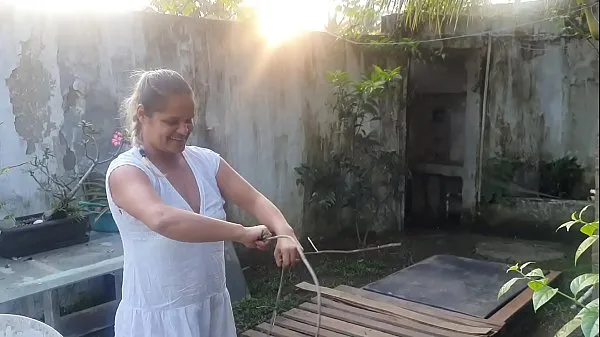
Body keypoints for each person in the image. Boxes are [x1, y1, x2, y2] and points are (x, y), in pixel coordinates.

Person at [105, 69, 301, 337]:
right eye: (172, 121)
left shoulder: (206, 162)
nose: (184, 130)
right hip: (159, 321)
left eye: (189, 120)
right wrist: (240, 233)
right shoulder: (127, 171)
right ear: (142, 114)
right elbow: (162, 218)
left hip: (212, 310)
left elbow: (254, 198)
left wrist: (285, 231)